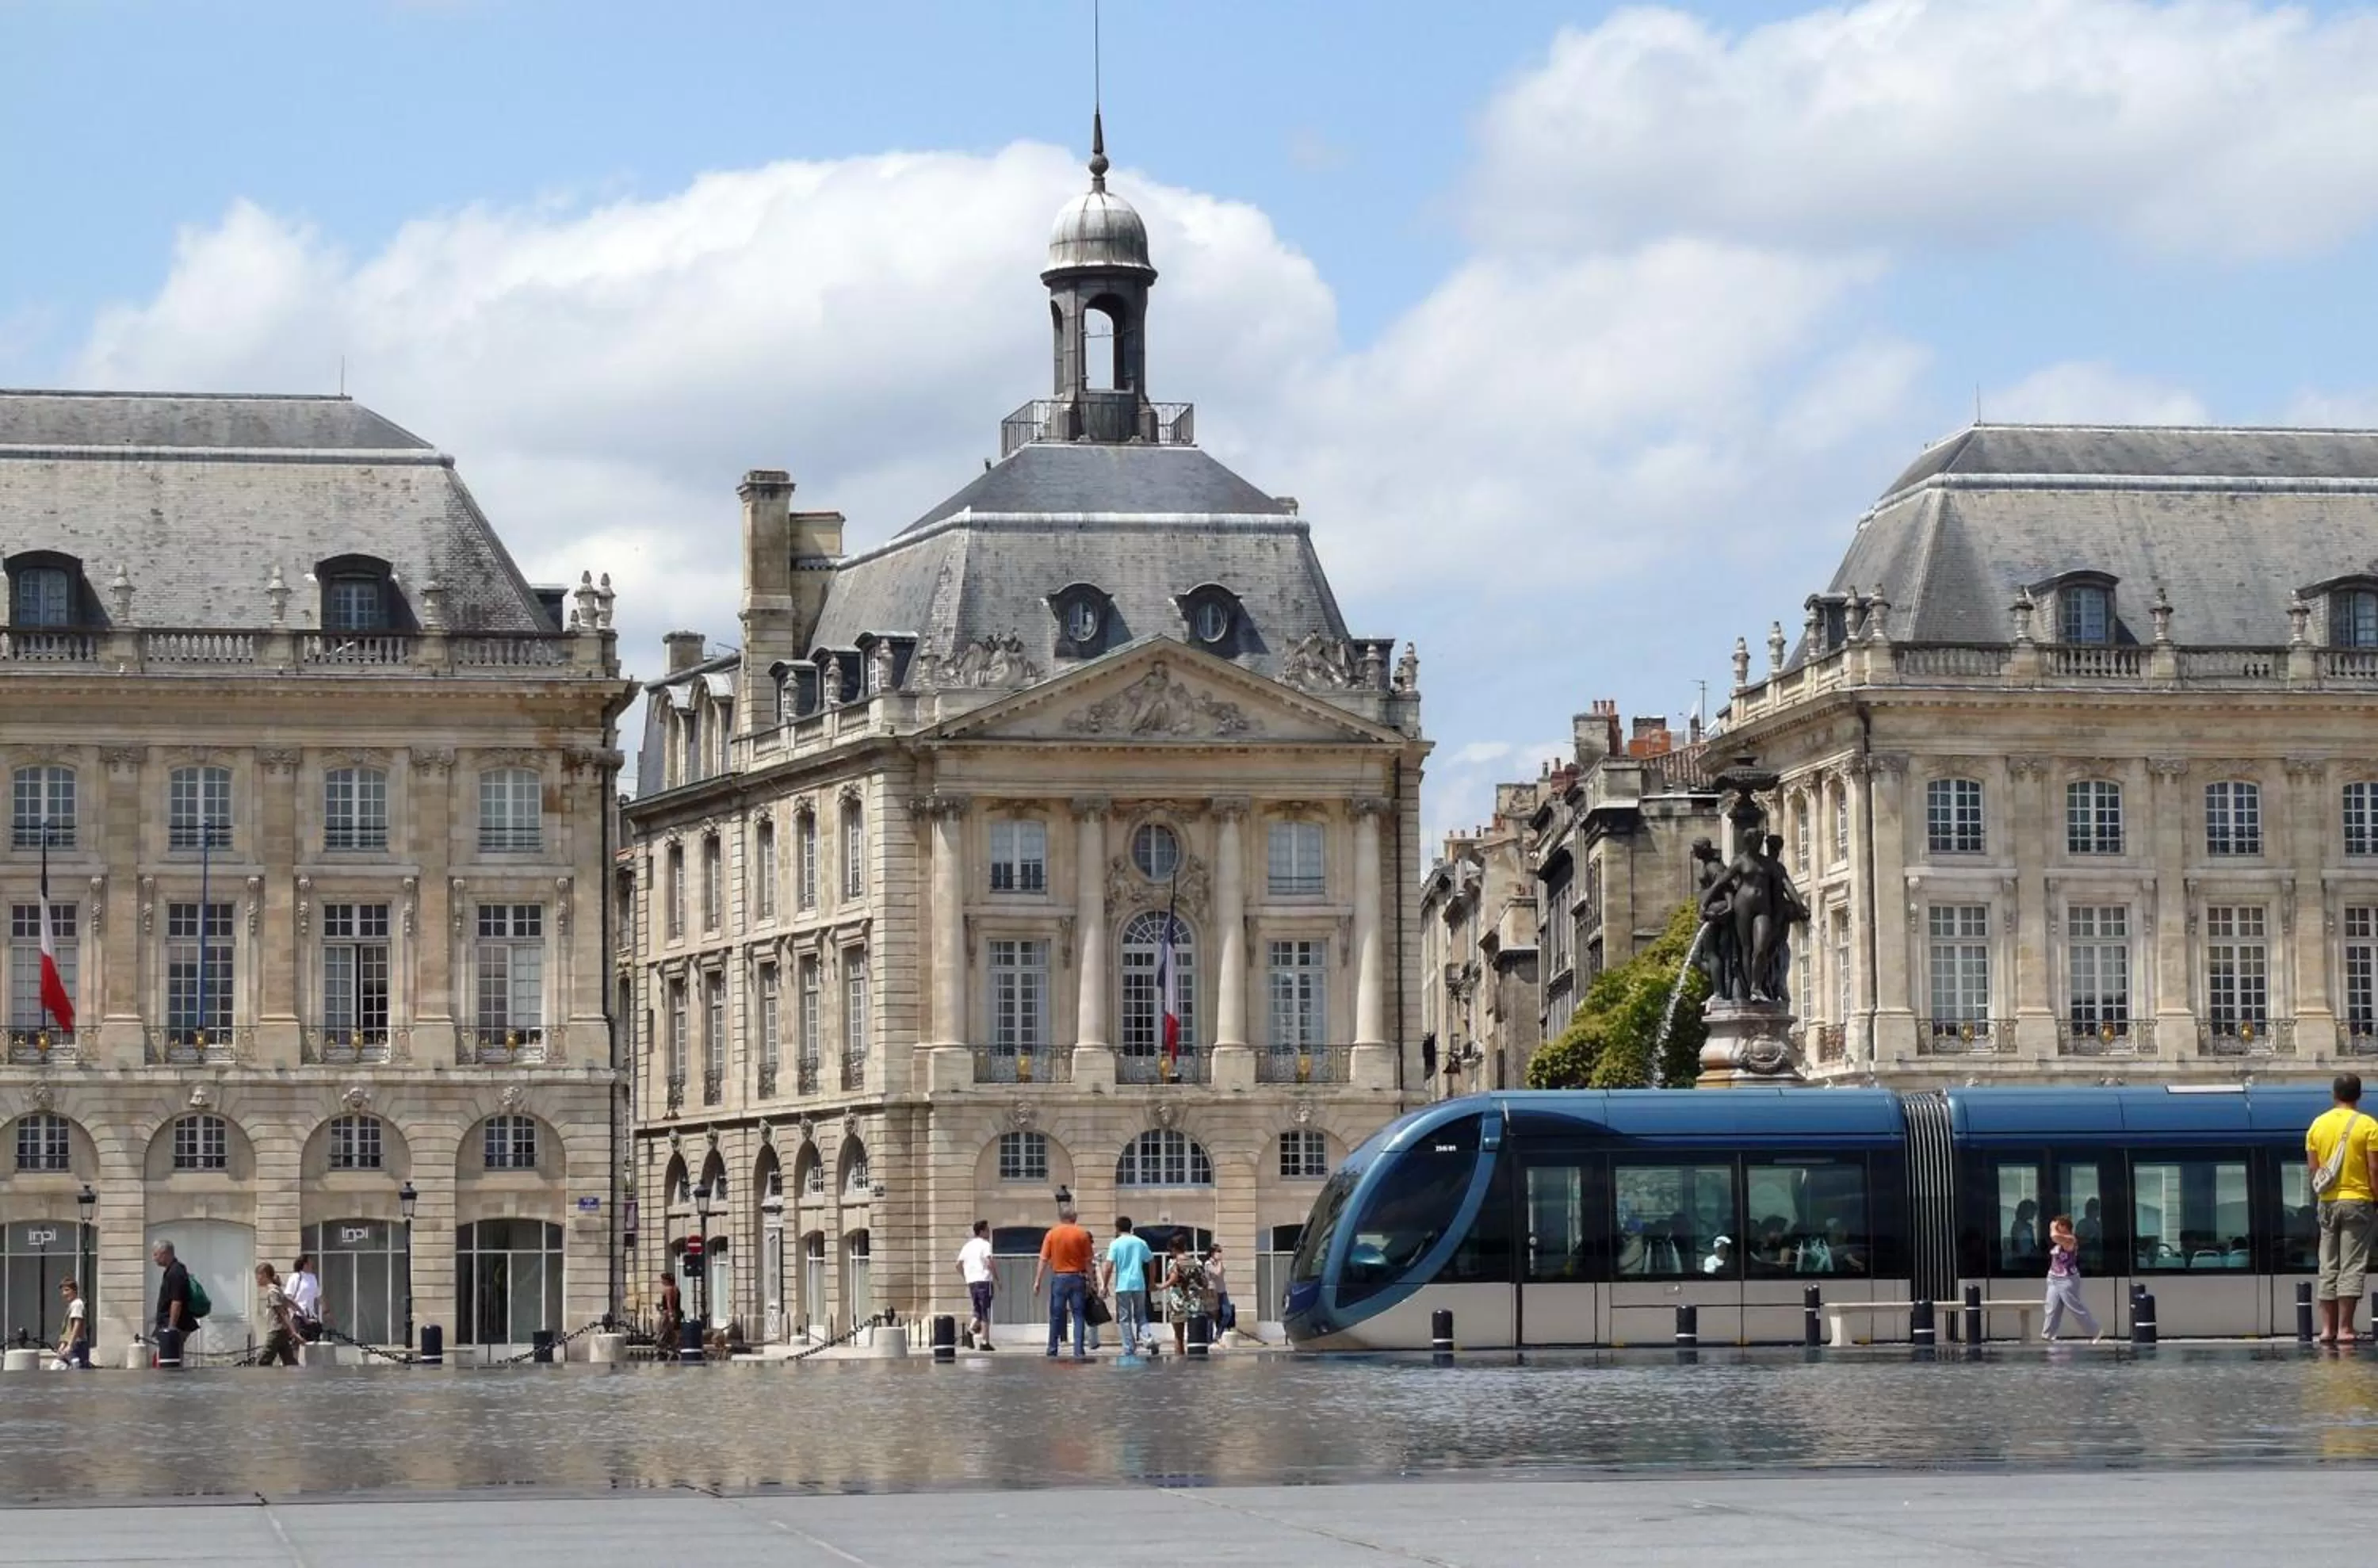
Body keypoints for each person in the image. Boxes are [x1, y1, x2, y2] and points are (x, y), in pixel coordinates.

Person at [2307, 1073, 2378, 1344]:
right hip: (2358, 1201)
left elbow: (2314, 1169)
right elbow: (2374, 1168)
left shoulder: (2317, 1125)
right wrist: (2375, 1197)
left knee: (2328, 1264)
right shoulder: (2368, 1125)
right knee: (2352, 1265)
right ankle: (2346, 1329)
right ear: (2359, 1096)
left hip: (2327, 1202)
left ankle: (2326, 1330)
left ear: (2334, 1095)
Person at [1032, 1202, 1095, 1359]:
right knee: (1078, 1314)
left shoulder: (1052, 1234)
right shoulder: (1082, 1234)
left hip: (1059, 1277)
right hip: (1077, 1277)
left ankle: (1052, 1347)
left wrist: (1037, 1280)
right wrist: (1092, 1282)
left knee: (1056, 1314)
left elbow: (1043, 1259)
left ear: (1061, 1217)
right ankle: (1078, 1349)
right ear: (1073, 1217)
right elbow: (1088, 1261)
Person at [2042, 1214, 2104, 1343]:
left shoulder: (2070, 1239)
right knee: (2051, 1308)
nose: (2056, 1228)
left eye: (2059, 1226)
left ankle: (2095, 1331)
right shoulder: (2060, 1240)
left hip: (2067, 1279)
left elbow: (2054, 1236)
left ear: (2065, 1227)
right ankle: (2048, 1335)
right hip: (2053, 1278)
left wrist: (2052, 1227)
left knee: (2075, 1308)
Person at [1102, 1217, 1155, 1359]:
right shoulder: (1140, 1242)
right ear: (1131, 1227)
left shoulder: (1116, 1244)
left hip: (1123, 1285)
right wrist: (1152, 1281)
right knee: (1141, 1315)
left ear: (1117, 1228)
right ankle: (1148, 1338)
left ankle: (1129, 1347)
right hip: (1139, 1283)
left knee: (1125, 1318)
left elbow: (1108, 1266)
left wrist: (1105, 1285)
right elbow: (1151, 1260)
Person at [1160, 1234, 1208, 1356]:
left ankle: (1180, 1362)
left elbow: (1173, 1279)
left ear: (1173, 1249)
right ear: (1185, 1247)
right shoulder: (1196, 1262)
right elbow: (1204, 1282)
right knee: (1195, 1335)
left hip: (1178, 1302)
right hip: (1194, 1301)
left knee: (1179, 1336)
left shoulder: (1173, 1263)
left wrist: (1160, 1286)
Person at [956, 1219, 997, 1351]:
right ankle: (985, 1341)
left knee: (977, 1309)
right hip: (984, 1280)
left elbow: (958, 1265)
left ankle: (970, 1332)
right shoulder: (985, 1245)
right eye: (987, 1230)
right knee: (985, 1310)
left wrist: (966, 1277)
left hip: (972, 1282)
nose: (989, 1232)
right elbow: (989, 1262)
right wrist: (997, 1278)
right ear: (982, 1232)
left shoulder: (967, 1246)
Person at [151, 1240, 196, 1355]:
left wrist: (171, 1328)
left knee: (172, 1359)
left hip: (175, 1325)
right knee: (170, 1357)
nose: (154, 1258)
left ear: (165, 1253)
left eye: (156, 1254)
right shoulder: (173, 1270)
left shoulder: (176, 1272)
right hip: (168, 1323)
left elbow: (177, 1301)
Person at [254, 1263, 301, 1367]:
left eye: (257, 1276)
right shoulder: (277, 1289)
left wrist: (293, 1332)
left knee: (263, 1362)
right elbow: (291, 1302)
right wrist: (304, 1317)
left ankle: (267, 1382)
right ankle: (298, 1381)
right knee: (290, 1363)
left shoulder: (272, 1292)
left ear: (264, 1274)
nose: (257, 1279)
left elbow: (282, 1313)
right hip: (282, 1332)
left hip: (276, 1331)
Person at [287, 1252, 323, 1342]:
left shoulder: (313, 1278)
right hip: (298, 1316)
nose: (313, 1264)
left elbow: (318, 1295)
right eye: (310, 1262)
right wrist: (298, 1312)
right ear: (305, 1264)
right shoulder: (295, 1277)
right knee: (296, 1343)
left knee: (313, 1342)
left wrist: (326, 1311)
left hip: (311, 1315)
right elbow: (288, 1297)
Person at [55, 1277, 90, 1368]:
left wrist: (70, 1345)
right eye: (63, 1291)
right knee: (58, 1366)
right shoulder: (72, 1305)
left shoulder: (77, 1304)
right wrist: (63, 1344)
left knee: (77, 1372)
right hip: (72, 1344)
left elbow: (77, 1324)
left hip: (77, 1345)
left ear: (75, 1291)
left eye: (67, 1290)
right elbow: (68, 1329)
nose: (64, 1294)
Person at [1205, 1244, 1236, 1340]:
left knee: (1227, 1313)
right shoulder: (1208, 1264)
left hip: (1222, 1291)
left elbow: (1222, 1272)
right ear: (1213, 1253)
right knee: (1211, 1316)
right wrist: (1219, 1262)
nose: (1220, 1254)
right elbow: (1217, 1273)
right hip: (1212, 1291)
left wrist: (1220, 1262)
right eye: (1218, 1251)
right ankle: (1209, 1338)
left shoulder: (1219, 1263)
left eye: (1220, 1251)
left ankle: (1219, 1333)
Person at [655, 1272, 683, 1349]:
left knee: (664, 1331)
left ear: (666, 1280)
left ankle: (663, 1347)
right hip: (677, 1312)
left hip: (668, 1313)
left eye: (662, 1280)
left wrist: (670, 1314)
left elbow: (669, 1303)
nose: (662, 1282)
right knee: (673, 1332)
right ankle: (675, 1346)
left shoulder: (668, 1289)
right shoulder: (675, 1288)